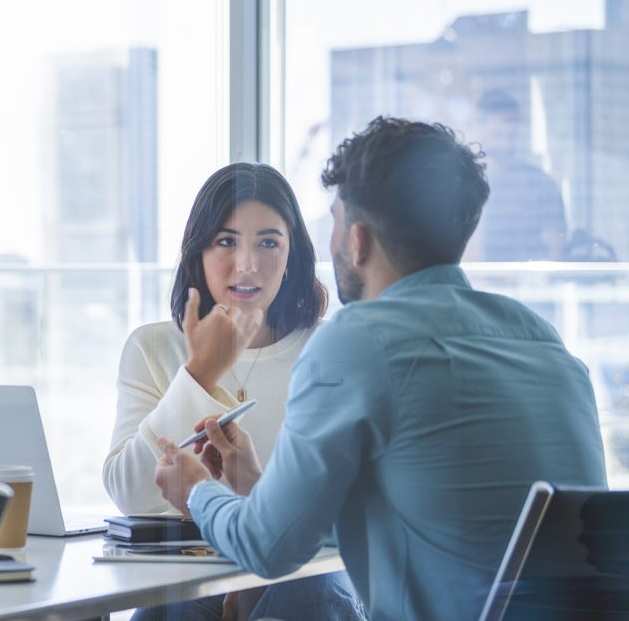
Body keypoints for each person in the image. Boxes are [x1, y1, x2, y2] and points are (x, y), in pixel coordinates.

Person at [153, 117, 607, 621]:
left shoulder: (358, 341)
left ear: (358, 239)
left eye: (335, 222)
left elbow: (267, 549)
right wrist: (260, 487)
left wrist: (196, 490)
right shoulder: (543, 341)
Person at [104, 163, 363, 620]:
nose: (246, 263)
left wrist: (257, 579)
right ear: (198, 254)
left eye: (268, 242)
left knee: (312, 593)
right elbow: (131, 494)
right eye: (226, 242)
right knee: (172, 609)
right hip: (192, 571)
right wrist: (200, 375)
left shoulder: (333, 348)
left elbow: (350, 515)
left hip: (307, 571)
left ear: (293, 258)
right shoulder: (152, 346)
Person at [467, 89, 567, 261]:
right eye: (497, 135)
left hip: (528, 285)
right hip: (473, 284)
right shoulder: (461, 186)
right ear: (479, 131)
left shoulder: (541, 185)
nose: (505, 144)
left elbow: (556, 252)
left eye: (511, 136)